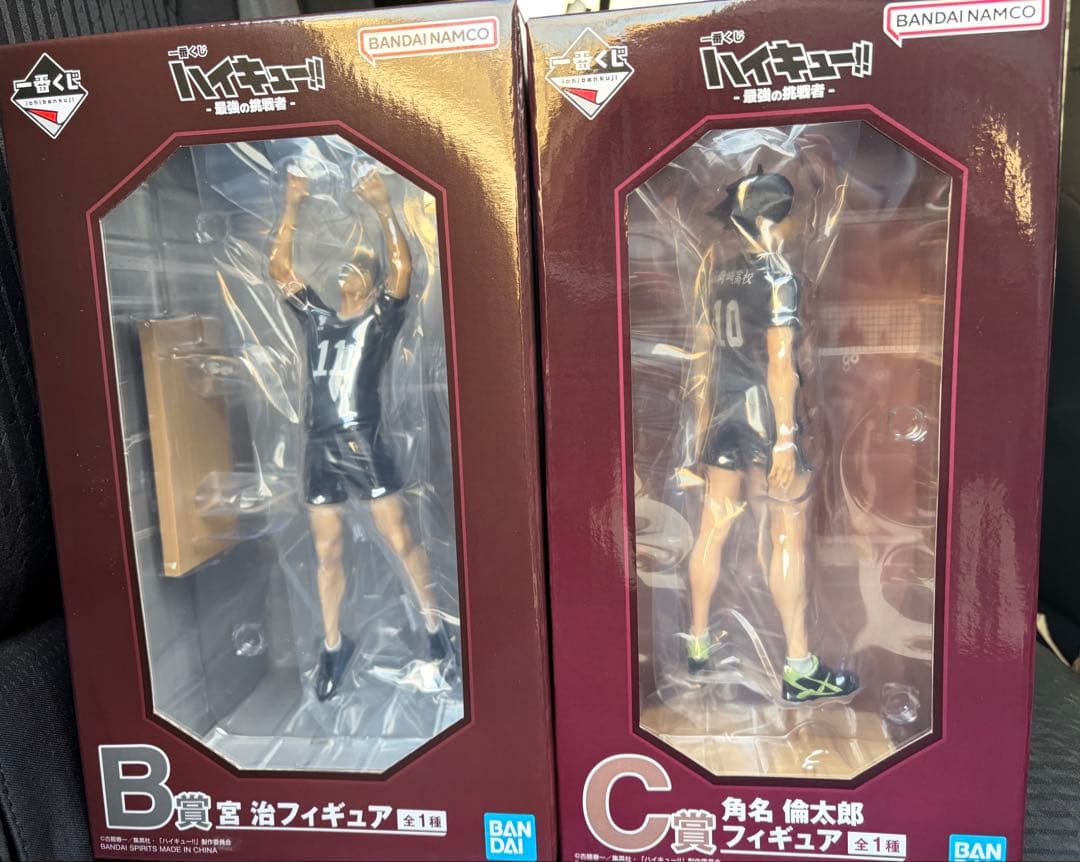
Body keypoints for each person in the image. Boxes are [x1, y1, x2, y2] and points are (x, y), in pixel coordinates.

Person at [268, 163, 450, 701]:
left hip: (362, 443)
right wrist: (293, 205)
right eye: (344, 267)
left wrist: (385, 207)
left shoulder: (380, 320)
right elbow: (278, 268)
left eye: (357, 268)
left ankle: (435, 628)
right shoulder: (318, 319)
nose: (346, 272)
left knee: (401, 538)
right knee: (327, 551)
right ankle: (333, 643)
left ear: (370, 284)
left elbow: (403, 268)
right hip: (320, 448)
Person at [685, 167, 858, 703]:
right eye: (790, 216)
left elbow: (704, 354)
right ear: (769, 220)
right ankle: (800, 667)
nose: (796, 225)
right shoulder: (779, 277)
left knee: (712, 528)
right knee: (786, 535)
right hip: (765, 417)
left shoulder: (716, 274)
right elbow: (781, 363)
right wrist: (785, 437)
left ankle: (696, 644)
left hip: (723, 415)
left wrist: (701, 426)